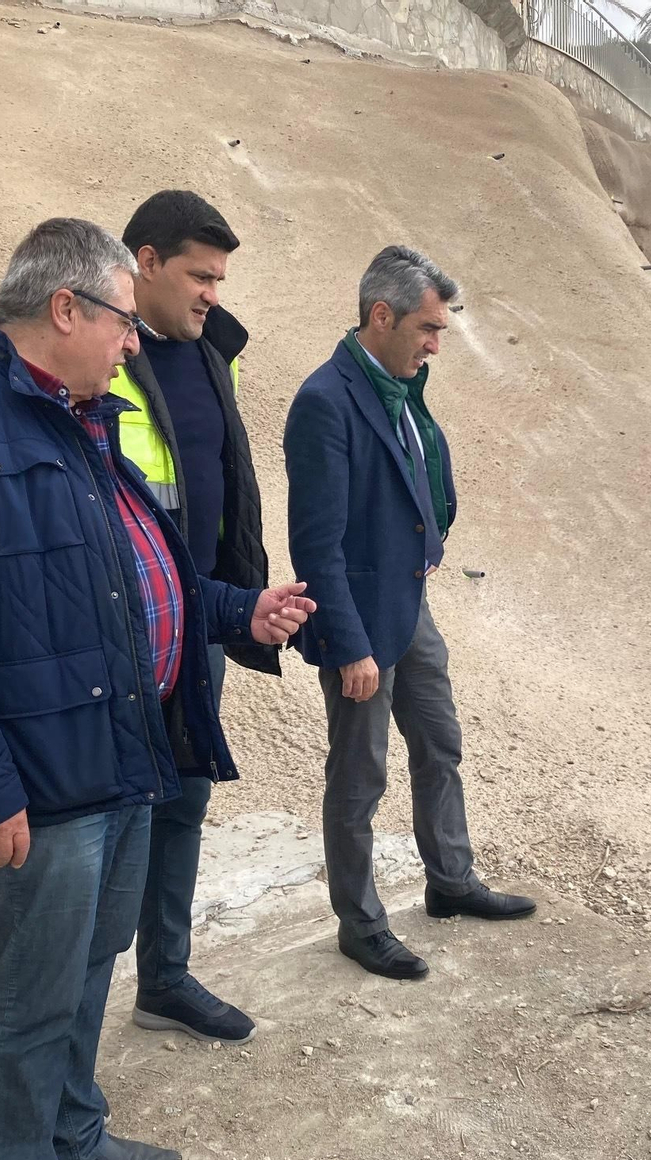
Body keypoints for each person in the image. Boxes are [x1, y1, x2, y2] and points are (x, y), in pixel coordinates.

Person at [0, 217, 315, 1160]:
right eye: (121, 323)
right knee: (29, 994)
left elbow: (137, 579)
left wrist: (244, 608)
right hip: (34, 777)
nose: (133, 344)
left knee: (91, 960)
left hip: (118, 750)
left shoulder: (81, 419)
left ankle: (72, 1130)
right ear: (65, 308)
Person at [284, 245, 535, 982]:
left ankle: (450, 883)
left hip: (410, 604)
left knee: (440, 744)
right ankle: (360, 925)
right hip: (360, 621)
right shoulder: (324, 402)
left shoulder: (402, 384)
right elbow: (316, 544)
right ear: (381, 315)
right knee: (359, 777)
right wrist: (350, 646)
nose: (435, 344)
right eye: (427, 327)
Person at [112, 191, 272, 1046]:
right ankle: (67, 1028)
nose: (213, 293)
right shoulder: (98, 354)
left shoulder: (216, 351)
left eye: (219, 278)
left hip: (199, 616)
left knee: (185, 795)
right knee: (112, 812)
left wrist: (243, 594)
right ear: (144, 262)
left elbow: (224, 473)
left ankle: (164, 977)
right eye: (198, 276)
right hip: (119, 628)